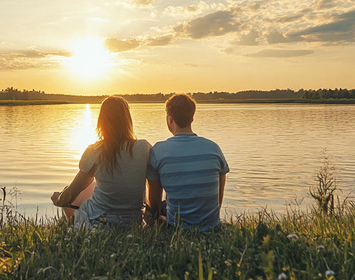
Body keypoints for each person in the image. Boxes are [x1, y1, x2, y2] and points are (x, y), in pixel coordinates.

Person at [51, 96, 154, 230]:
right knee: (92, 187)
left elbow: (73, 192)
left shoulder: (94, 150)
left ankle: (78, 228)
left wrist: (58, 200)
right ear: (128, 120)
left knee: (67, 194)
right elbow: (153, 184)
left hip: (100, 221)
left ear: (101, 121)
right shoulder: (144, 148)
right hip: (133, 221)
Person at [146, 93, 229, 231]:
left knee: (157, 206)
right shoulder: (213, 148)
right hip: (212, 227)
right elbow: (218, 197)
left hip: (177, 228)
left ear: (170, 119)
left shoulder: (158, 150)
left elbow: (154, 203)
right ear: (192, 118)